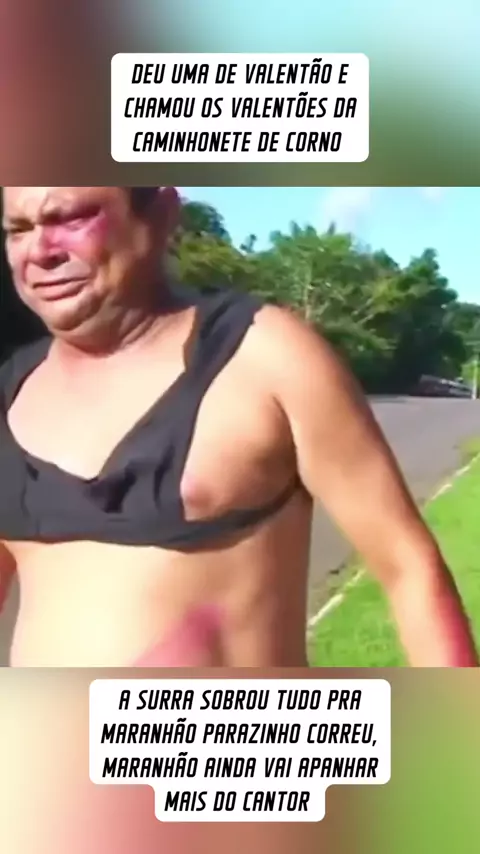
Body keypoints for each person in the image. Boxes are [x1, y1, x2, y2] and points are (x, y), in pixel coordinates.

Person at [0, 185, 476, 668]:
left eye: (71, 218)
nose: (40, 251)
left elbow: (408, 567)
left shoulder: (266, 356)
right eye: (17, 230)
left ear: (160, 214)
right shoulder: (10, 392)